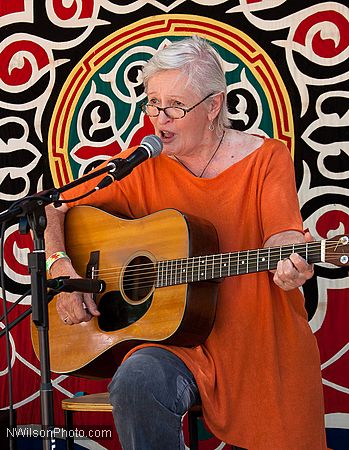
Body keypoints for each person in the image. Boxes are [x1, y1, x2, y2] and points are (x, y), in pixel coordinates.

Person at [44, 36, 326, 449]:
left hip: (259, 337)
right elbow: (53, 206)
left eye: (175, 105)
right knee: (137, 379)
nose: (161, 118)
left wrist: (291, 264)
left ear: (214, 106)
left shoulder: (267, 158)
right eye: (152, 103)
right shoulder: (139, 167)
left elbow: (283, 234)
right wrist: (60, 268)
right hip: (176, 343)